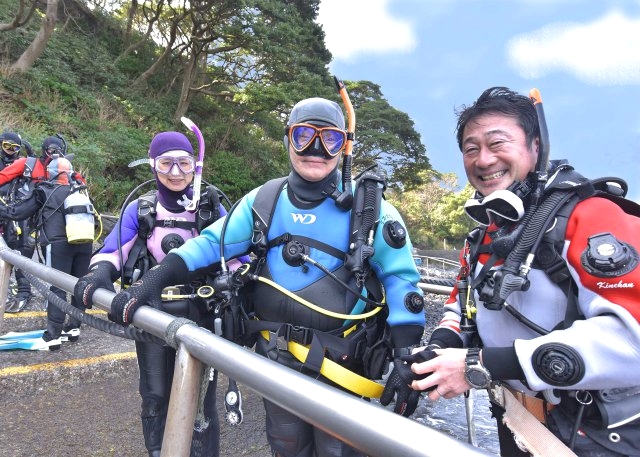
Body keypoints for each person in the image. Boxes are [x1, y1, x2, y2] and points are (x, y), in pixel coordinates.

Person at [97, 97, 426, 457]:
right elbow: (209, 245)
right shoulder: (265, 200)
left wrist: (405, 356)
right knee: (286, 447)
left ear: (344, 146)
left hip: (345, 364)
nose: (314, 148)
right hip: (278, 360)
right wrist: (153, 280)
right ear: (287, 140)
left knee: (339, 451)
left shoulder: (370, 211)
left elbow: (401, 281)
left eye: (328, 138)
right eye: (303, 135)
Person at [406, 87, 640, 456]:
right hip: (516, 419)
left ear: (535, 146)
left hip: (598, 431)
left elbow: (631, 340)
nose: (483, 160)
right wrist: (438, 351)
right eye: (471, 148)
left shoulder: (592, 217)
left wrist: (476, 366)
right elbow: (460, 308)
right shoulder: (484, 234)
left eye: (497, 143)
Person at [73, 131, 241, 457]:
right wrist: (98, 275)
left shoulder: (211, 208)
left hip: (202, 314)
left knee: (200, 400)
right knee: (154, 394)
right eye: (166, 163)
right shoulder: (141, 208)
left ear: (196, 165)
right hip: (149, 313)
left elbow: (239, 259)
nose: (175, 173)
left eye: (184, 163)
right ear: (152, 165)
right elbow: (112, 252)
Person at [0, 149, 93, 350]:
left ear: (50, 173)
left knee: (56, 287)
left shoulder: (44, 190)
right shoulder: (79, 191)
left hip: (58, 245)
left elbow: (18, 213)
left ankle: (53, 335)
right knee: (78, 285)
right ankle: (73, 328)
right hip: (85, 243)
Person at [0, 131, 37, 312]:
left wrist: (31, 155)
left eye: (15, 148)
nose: (11, 151)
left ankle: (24, 291)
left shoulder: (21, 164)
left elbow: (38, 172)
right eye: (7, 146)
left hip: (17, 215)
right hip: (3, 212)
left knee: (22, 252)